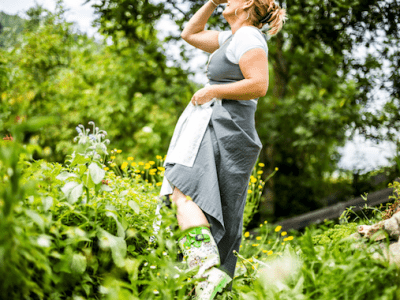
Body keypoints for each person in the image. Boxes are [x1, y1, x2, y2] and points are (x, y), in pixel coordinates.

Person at [158, 0, 287, 298]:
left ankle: (204, 271)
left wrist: (213, 90)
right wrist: (213, 2)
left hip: (224, 125)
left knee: (186, 191)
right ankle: (204, 277)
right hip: (218, 123)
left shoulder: (248, 36)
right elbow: (190, 33)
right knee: (193, 198)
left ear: (247, 7)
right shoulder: (230, 37)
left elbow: (259, 84)